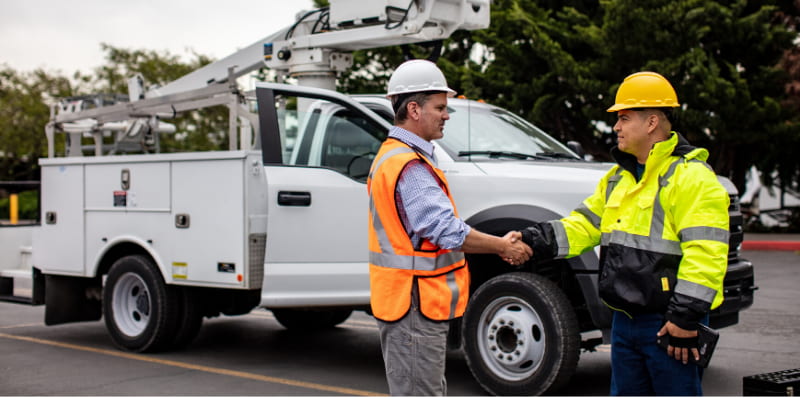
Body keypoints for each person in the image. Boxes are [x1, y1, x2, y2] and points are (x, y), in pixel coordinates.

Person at [519, 71, 729, 396]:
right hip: (624, 322)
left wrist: (685, 317)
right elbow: (585, 225)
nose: (616, 126)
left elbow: (707, 253)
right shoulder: (618, 178)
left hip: (668, 321)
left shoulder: (692, 178)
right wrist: (532, 241)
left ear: (652, 123)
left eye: (624, 117)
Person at [367, 59, 533, 396]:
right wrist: (502, 246)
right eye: (440, 107)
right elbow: (445, 230)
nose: (447, 114)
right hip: (414, 304)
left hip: (410, 302)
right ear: (413, 109)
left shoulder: (398, 155)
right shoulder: (409, 164)